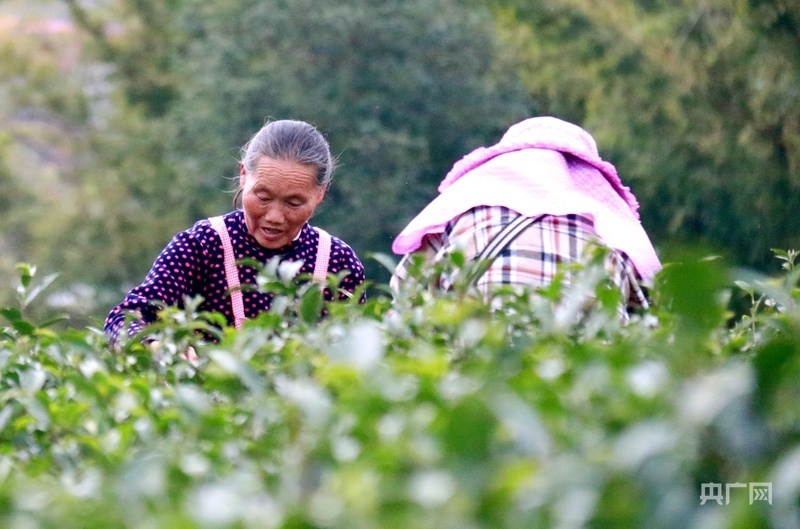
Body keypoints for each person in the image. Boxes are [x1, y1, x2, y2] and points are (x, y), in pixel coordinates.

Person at [105, 119, 366, 347]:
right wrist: (156, 346)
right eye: (263, 196)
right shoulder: (203, 247)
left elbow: (362, 351)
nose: (274, 217)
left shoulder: (336, 263)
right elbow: (125, 318)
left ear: (320, 193)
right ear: (244, 176)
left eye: (293, 203)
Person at [390, 116, 661, 315]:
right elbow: (648, 315)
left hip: (476, 373)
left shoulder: (463, 212)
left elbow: (404, 294)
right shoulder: (610, 233)